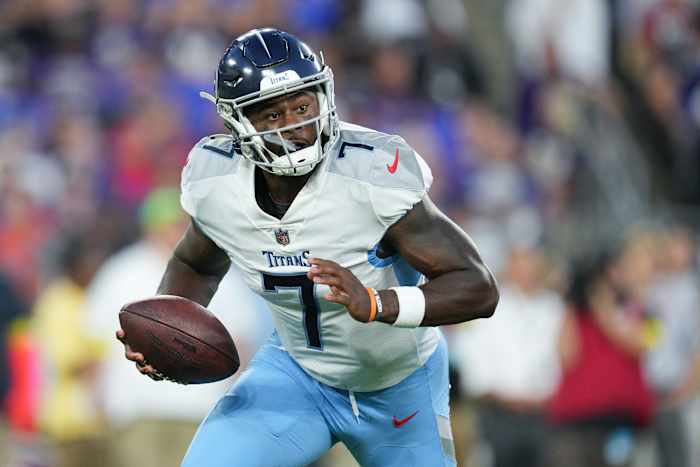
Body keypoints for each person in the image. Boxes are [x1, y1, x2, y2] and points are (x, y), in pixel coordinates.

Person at [117, 28, 499, 467]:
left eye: (301, 106)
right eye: (272, 116)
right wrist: (167, 330)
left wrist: (378, 302)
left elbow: (478, 287)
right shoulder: (217, 183)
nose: (296, 126)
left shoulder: (371, 173)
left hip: (399, 386)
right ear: (236, 121)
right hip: (296, 376)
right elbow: (195, 263)